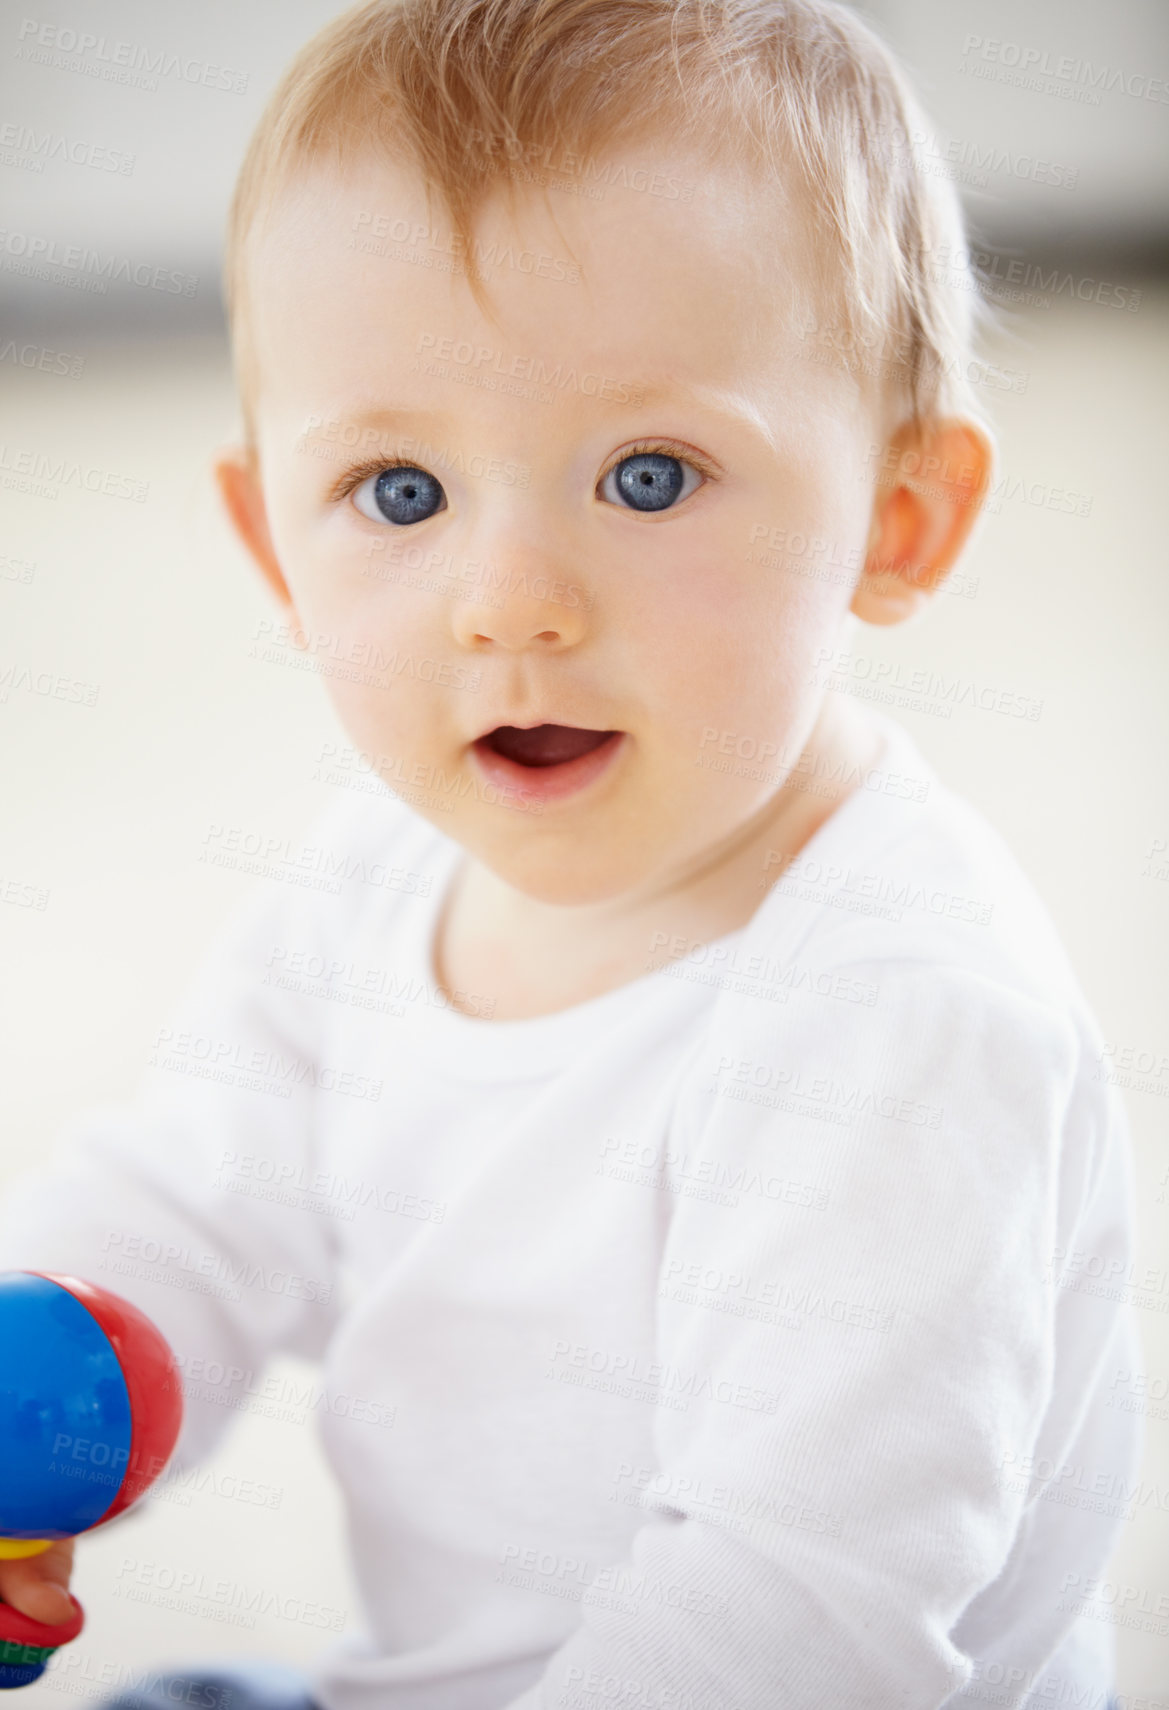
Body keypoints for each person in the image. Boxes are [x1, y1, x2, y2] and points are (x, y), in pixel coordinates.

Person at [0, 1, 1141, 1706]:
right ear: (273, 547)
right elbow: (193, 1211)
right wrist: (56, 1405)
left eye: (650, 473)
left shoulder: (903, 1016)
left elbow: (795, 1619)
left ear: (898, 519)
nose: (512, 597)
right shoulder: (373, 873)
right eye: (398, 493)